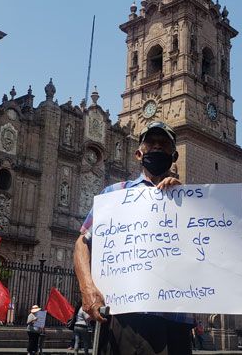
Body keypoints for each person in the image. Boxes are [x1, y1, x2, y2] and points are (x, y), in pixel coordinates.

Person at [74, 121, 193, 355]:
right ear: (139, 153)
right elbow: (82, 243)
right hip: (125, 319)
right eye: (151, 142)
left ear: (174, 155)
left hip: (175, 320)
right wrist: (87, 288)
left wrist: (183, 199)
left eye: (164, 144)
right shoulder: (115, 195)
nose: (157, 147)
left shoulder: (190, 202)